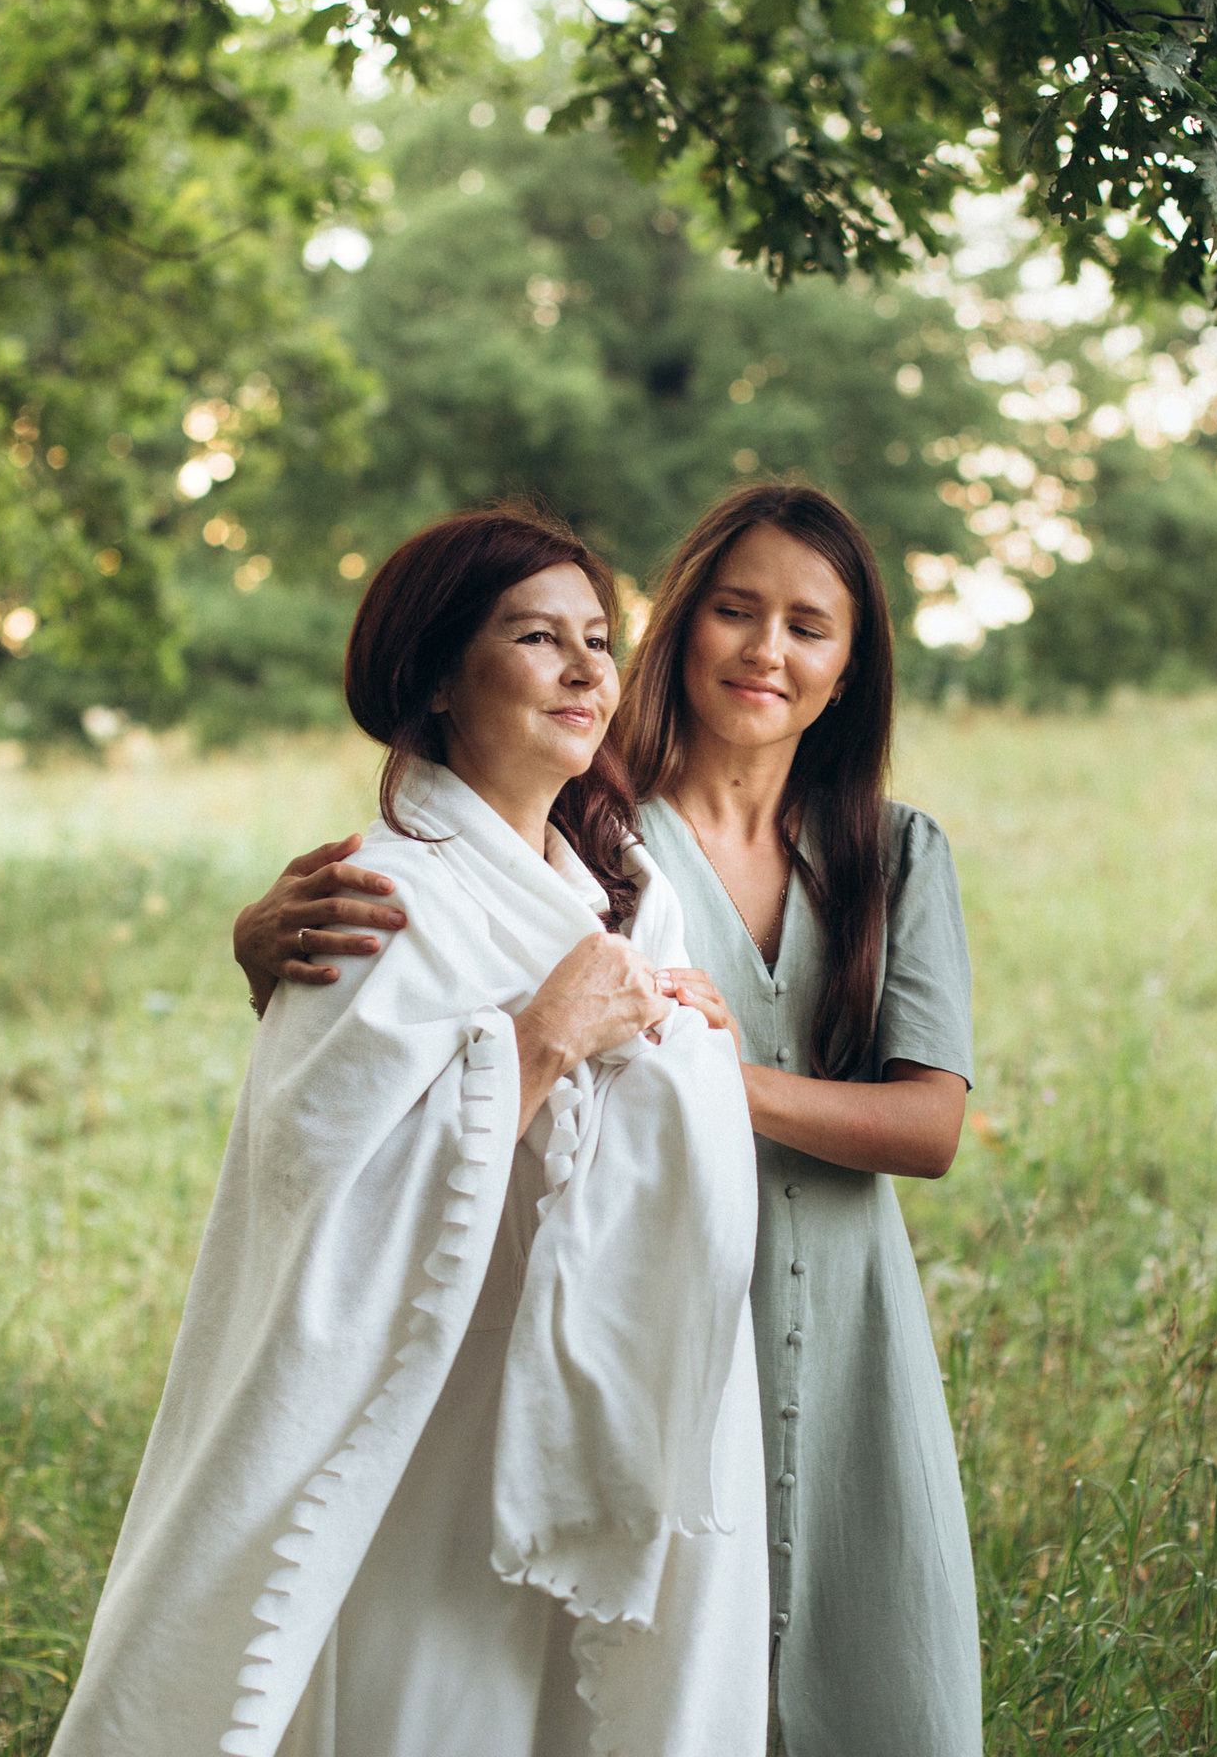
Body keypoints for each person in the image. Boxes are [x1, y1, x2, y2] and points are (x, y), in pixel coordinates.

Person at [236, 485, 982, 1756]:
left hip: (852, 1318)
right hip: (644, 1291)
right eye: (733, 611)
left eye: (809, 626)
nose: (764, 650)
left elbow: (930, 1126)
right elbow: (440, 916)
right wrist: (256, 944)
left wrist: (707, 1069)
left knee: (884, 1674)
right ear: (680, 627)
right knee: (650, 1673)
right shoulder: (601, 829)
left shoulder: (894, 852)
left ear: (852, 668)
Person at [55, 504, 770, 1757]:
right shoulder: (373, 903)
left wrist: (684, 1045)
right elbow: (326, 1201)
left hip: (588, 1413)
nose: (585, 669)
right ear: (438, 678)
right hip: (425, 1426)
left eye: (598, 639)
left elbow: (669, 1103)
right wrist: (542, 1041)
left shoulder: (630, 898)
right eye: (535, 638)